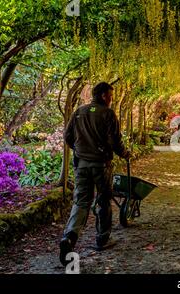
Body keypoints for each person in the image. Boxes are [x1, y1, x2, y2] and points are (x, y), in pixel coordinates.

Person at [59, 82, 130, 266]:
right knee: (103, 199)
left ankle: (69, 237)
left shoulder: (79, 111)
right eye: (110, 95)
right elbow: (115, 141)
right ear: (104, 96)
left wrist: (79, 150)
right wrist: (125, 154)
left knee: (81, 201)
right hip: (101, 165)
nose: (111, 98)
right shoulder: (107, 113)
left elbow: (67, 136)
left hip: (81, 166)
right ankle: (102, 238)